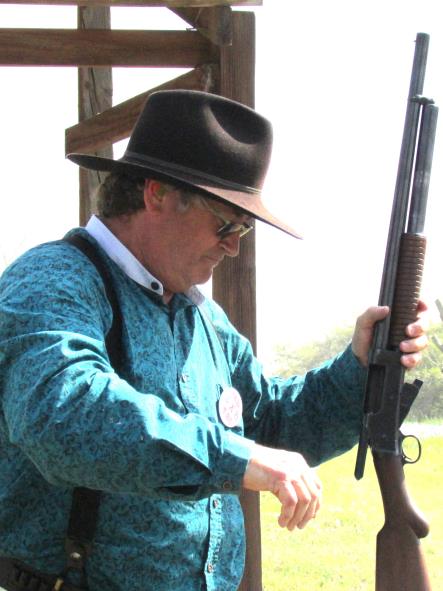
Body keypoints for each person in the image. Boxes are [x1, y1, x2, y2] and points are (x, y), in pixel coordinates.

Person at [0, 90, 428, 591]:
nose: (232, 246)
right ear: (156, 194)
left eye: (242, 230)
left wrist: (360, 367)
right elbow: (65, 416)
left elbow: (270, 422)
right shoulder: (53, 281)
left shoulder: (203, 317)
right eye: (225, 223)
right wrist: (237, 458)